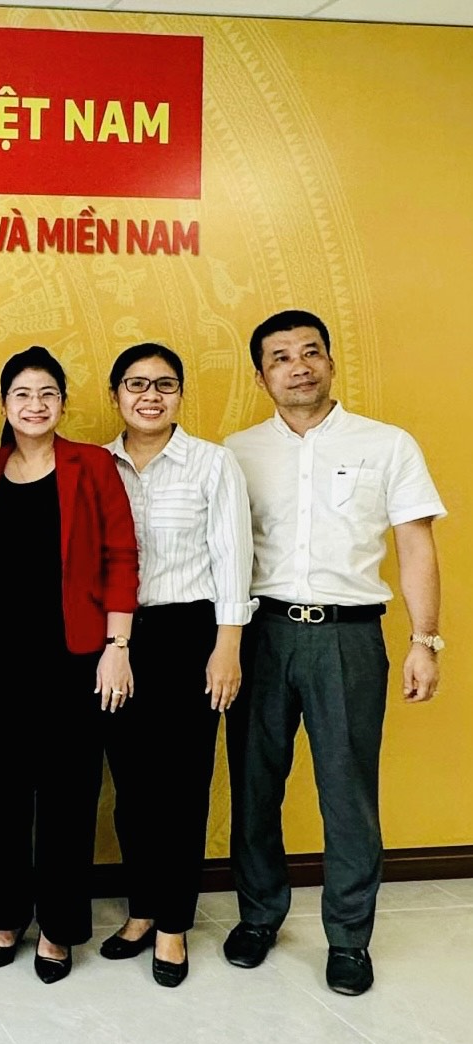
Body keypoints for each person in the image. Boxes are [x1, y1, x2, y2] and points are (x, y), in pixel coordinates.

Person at [223, 310, 444, 996]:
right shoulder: (235, 451)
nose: (299, 366)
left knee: (347, 792)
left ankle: (349, 937)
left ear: (330, 361)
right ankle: (258, 915)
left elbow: (416, 545)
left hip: (348, 637)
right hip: (260, 633)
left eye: (310, 352)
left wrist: (424, 639)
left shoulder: (387, 444)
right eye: (281, 357)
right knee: (254, 785)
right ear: (261, 376)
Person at [0, 346, 138, 984]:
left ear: (62, 403)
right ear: (4, 404)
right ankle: (6, 915)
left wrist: (117, 647)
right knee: (4, 792)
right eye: (22, 394)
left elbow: (123, 555)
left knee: (69, 795)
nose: (35, 405)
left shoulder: (91, 464)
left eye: (47, 393)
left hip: (76, 658)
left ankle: (60, 927)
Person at [98, 343, 254, 987]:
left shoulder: (213, 463)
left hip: (192, 634)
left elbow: (234, 557)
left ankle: (173, 924)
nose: (151, 396)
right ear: (115, 395)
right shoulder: (96, 464)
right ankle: (141, 909)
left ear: (180, 395)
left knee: (183, 785)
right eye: (136, 384)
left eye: (165, 385)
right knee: (131, 784)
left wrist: (227, 646)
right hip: (117, 640)